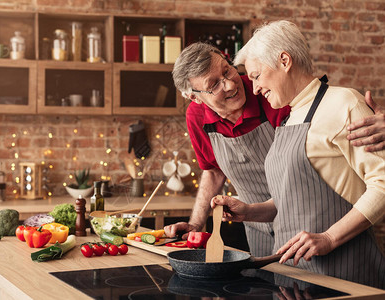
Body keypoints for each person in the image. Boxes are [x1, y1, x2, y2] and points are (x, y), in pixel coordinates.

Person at [164, 42, 385, 258]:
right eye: (214, 85)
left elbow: (324, 134)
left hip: (317, 223)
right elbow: (213, 170)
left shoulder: (270, 94)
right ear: (194, 97)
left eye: (227, 70)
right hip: (256, 225)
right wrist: (196, 223)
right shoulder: (196, 116)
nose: (230, 85)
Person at [215, 20, 385, 288]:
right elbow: (291, 201)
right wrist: (248, 211)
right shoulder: (290, 116)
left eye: (257, 76)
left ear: (284, 60)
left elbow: (382, 185)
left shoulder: (344, 104)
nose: (255, 88)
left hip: (345, 274)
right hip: (292, 277)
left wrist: (329, 238)